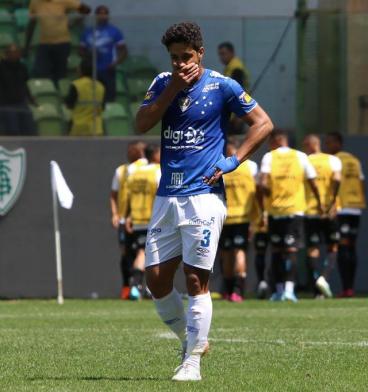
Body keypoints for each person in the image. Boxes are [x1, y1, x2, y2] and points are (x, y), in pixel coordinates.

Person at [135, 22, 273, 381]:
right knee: (156, 281)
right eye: (174, 58)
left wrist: (233, 160)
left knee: (195, 280)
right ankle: (189, 337)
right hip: (168, 195)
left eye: (186, 57)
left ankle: (192, 361)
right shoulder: (163, 83)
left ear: (200, 53)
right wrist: (173, 90)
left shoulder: (222, 85)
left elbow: (262, 124)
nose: (180, 63)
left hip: (204, 197)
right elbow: (141, 123)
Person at [259, 129, 321, 302]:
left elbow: (262, 183)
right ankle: (289, 290)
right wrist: (321, 203)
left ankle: (278, 291)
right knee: (292, 250)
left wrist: (268, 196)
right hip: (295, 211)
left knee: (277, 251)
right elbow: (313, 182)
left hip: (274, 211)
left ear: (276, 140)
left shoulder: (269, 157)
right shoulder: (301, 156)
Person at [325, 131, 366, 297]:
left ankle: (346, 288)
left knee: (342, 247)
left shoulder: (334, 161)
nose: (327, 147)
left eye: (329, 143)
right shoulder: (355, 161)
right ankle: (350, 287)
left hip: (341, 208)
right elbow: (361, 183)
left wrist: (331, 204)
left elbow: (333, 183)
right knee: (352, 247)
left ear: (337, 143)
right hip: (356, 208)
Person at [219, 137, 258, 302]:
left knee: (226, 254)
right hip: (243, 216)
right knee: (239, 252)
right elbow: (257, 192)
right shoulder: (250, 166)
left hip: (223, 217)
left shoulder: (219, 166)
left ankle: (228, 291)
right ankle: (237, 291)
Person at [303, 134, 342, 298]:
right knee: (332, 246)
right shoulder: (332, 160)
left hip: (310, 210)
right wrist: (332, 201)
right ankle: (324, 278)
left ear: (310, 145)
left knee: (313, 249)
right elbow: (337, 179)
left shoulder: (304, 160)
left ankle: (317, 289)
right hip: (330, 210)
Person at [109, 141, 147, 299]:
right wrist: (115, 213)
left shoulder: (146, 170)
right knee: (126, 253)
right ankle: (127, 287)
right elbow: (113, 194)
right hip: (125, 220)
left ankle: (138, 287)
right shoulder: (122, 171)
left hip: (141, 219)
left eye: (134, 150)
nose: (130, 152)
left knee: (143, 252)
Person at [125, 144, 161, 300]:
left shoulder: (134, 172)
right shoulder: (158, 171)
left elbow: (127, 196)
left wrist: (128, 216)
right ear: (154, 155)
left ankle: (139, 287)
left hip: (137, 217)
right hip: (154, 218)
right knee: (152, 254)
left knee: (142, 252)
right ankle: (144, 287)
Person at [25, 0, 91, 86]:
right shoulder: (35, 2)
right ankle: (46, 95)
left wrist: (73, 22)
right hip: (44, 43)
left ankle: (58, 96)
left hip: (62, 43)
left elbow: (86, 10)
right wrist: (26, 45)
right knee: (41, 72)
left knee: (60, 75)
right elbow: (32, 23)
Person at [80, 5, 128, 102]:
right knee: (93, 98)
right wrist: (88, 57)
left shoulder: (114, 31)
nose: (103, 16)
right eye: (100, 14)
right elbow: (81, 50)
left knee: (109, 98)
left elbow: (124, 51)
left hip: (108, 70)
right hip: (91, 71)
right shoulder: (88, 31)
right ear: (96, 16)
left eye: (105, 14)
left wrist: (115, 64)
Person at [0, 44, 37, 136]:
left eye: (18, 53)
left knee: (30, 129)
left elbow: (24, 84)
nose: (16, 55)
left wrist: (31, 99)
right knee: (13, 130)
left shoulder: (22, 67)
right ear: (6, 54)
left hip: (21, 103)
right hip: (5, 104)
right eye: (13, 53)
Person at [65, 56, 105, 136]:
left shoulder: (76, 85)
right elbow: (102, 107)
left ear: (81, 70)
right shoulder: (100, 86)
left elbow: (69, 104)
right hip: (96, 128)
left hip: (79, 128)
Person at [217, 42, 251, 135]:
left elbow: (239, 93)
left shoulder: (236, 68)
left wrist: (238, 117)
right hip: (233, 113)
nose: (221, 57)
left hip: (236, 115)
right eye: (220, 54)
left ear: (232, 53)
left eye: (224, 53)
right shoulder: (230, 67)